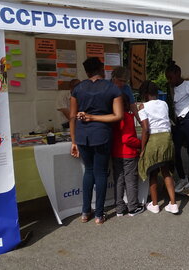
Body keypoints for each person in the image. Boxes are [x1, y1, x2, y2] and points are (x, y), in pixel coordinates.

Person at [70, 57, 124, 225]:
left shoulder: (78, 89)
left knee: (89, 171)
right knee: (100, 173)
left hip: (82, 135)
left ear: (86, 72)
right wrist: (94, 117)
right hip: (102, 135)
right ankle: (99, 215)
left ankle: (86, 212)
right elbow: (118, 115)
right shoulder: (112, 88)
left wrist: (73, 141)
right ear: (101, 69)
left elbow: (72, 116)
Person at [138, 80, 178, 214]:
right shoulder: (164, 104)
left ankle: (155, 205)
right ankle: (173, 204)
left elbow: (145, 129)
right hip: (167, 138)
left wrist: (142, 148)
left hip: (154, 140)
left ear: (144, 94)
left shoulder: (143, 106)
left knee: (153, 172)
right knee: (166, 171)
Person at [165, 61, 189, 192]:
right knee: (175, 150)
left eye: (171, 77)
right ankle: (182, 178)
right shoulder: (170, 88)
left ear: (178, 73)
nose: (169, 80)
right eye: (167, 77)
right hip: (177, 122)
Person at [112, 94, 145, 217]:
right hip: (128, 154)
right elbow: (127, 138)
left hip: (116, 153)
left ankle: (119, 208)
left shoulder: (113, 118)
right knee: (130, 180)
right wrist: (140, 144)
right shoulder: (128, 117)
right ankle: (132, 207)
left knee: (119, 180)